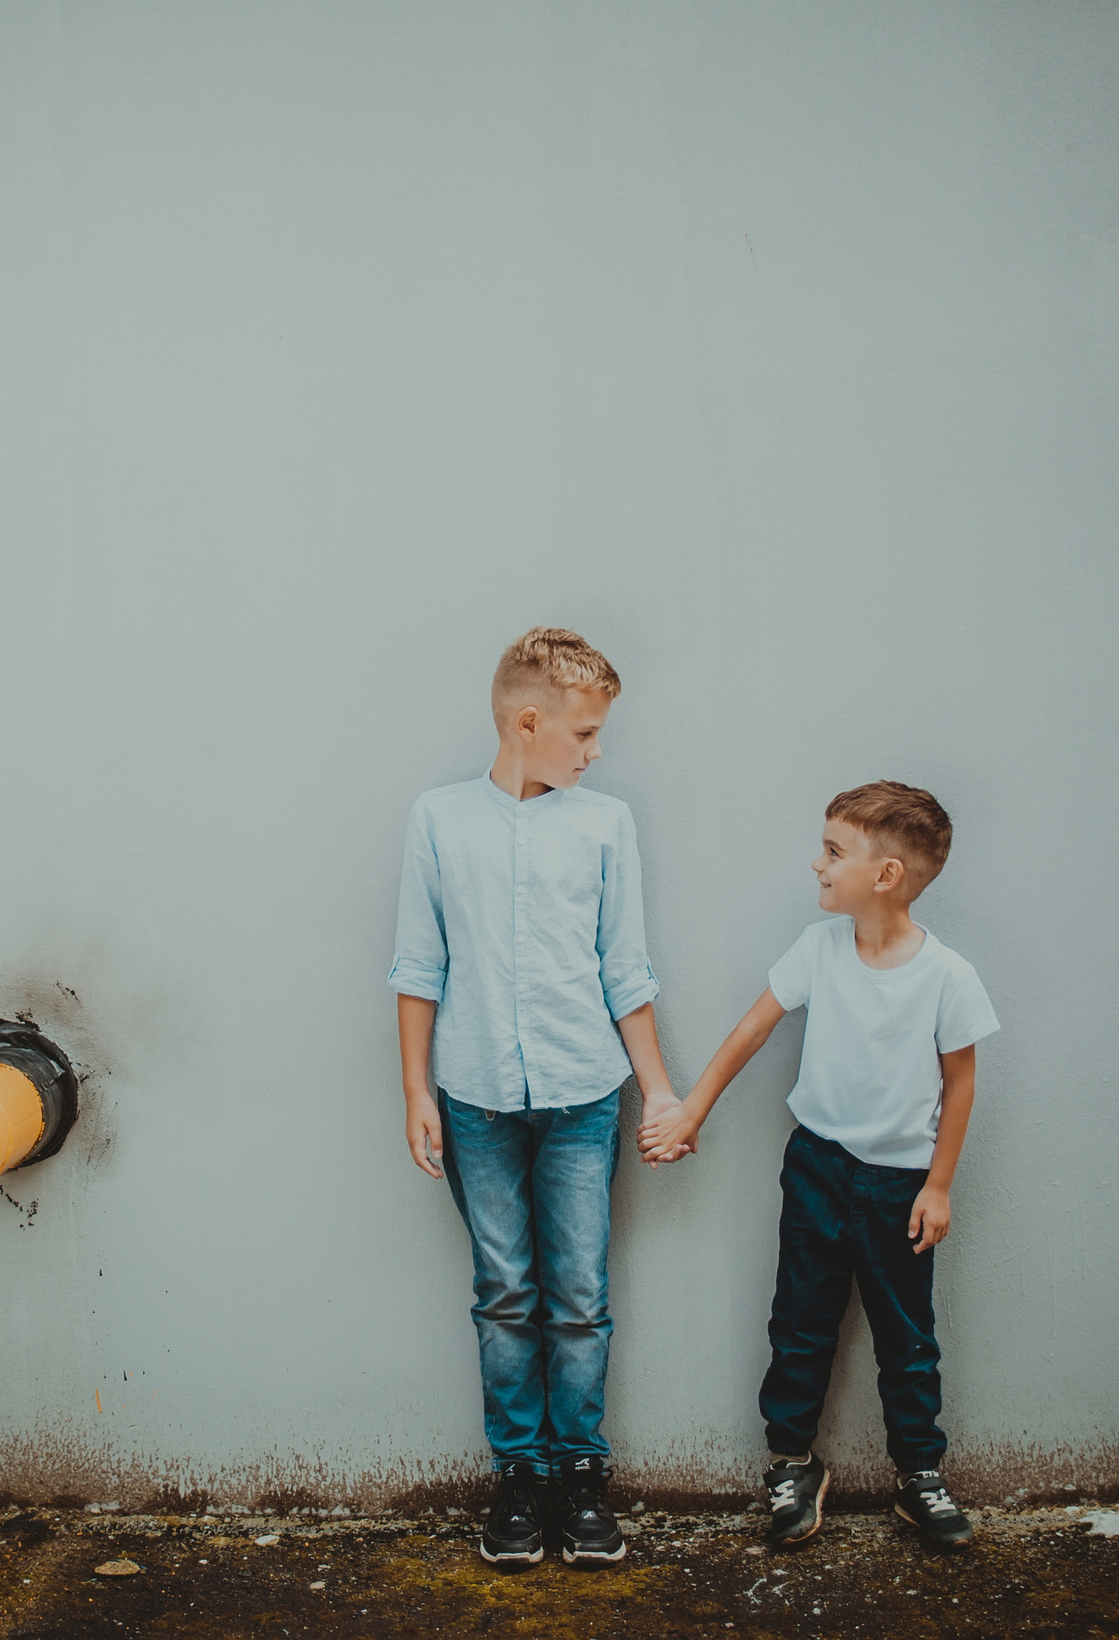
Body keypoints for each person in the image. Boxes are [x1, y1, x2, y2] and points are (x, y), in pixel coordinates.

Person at [639, 781, 997, 1550]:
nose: (817, 864)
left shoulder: (948, 976)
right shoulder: (818, 948)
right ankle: (792, 1464)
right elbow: (752, 1028)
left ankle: (919, 1474)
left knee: (907, 1339)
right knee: (799, 1324)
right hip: (816, 1169)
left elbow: (962, 1081)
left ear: (886, 874)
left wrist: (939, 1184)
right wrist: (692, 1109)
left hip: (901, 1185)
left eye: (834, 851)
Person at [389, 626, 676, 1567]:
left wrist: (659, 1092)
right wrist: (416, 1091)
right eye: (584, 733)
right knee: (506, 1291)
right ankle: (519, 1475)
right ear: (526, 723)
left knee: (581, 1295)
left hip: (583, 1096)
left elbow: (625, 969)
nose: (594, 752)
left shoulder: (606, 825)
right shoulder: (440, 819)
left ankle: (581, 1476)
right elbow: (419, 966)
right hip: (473, 1099)